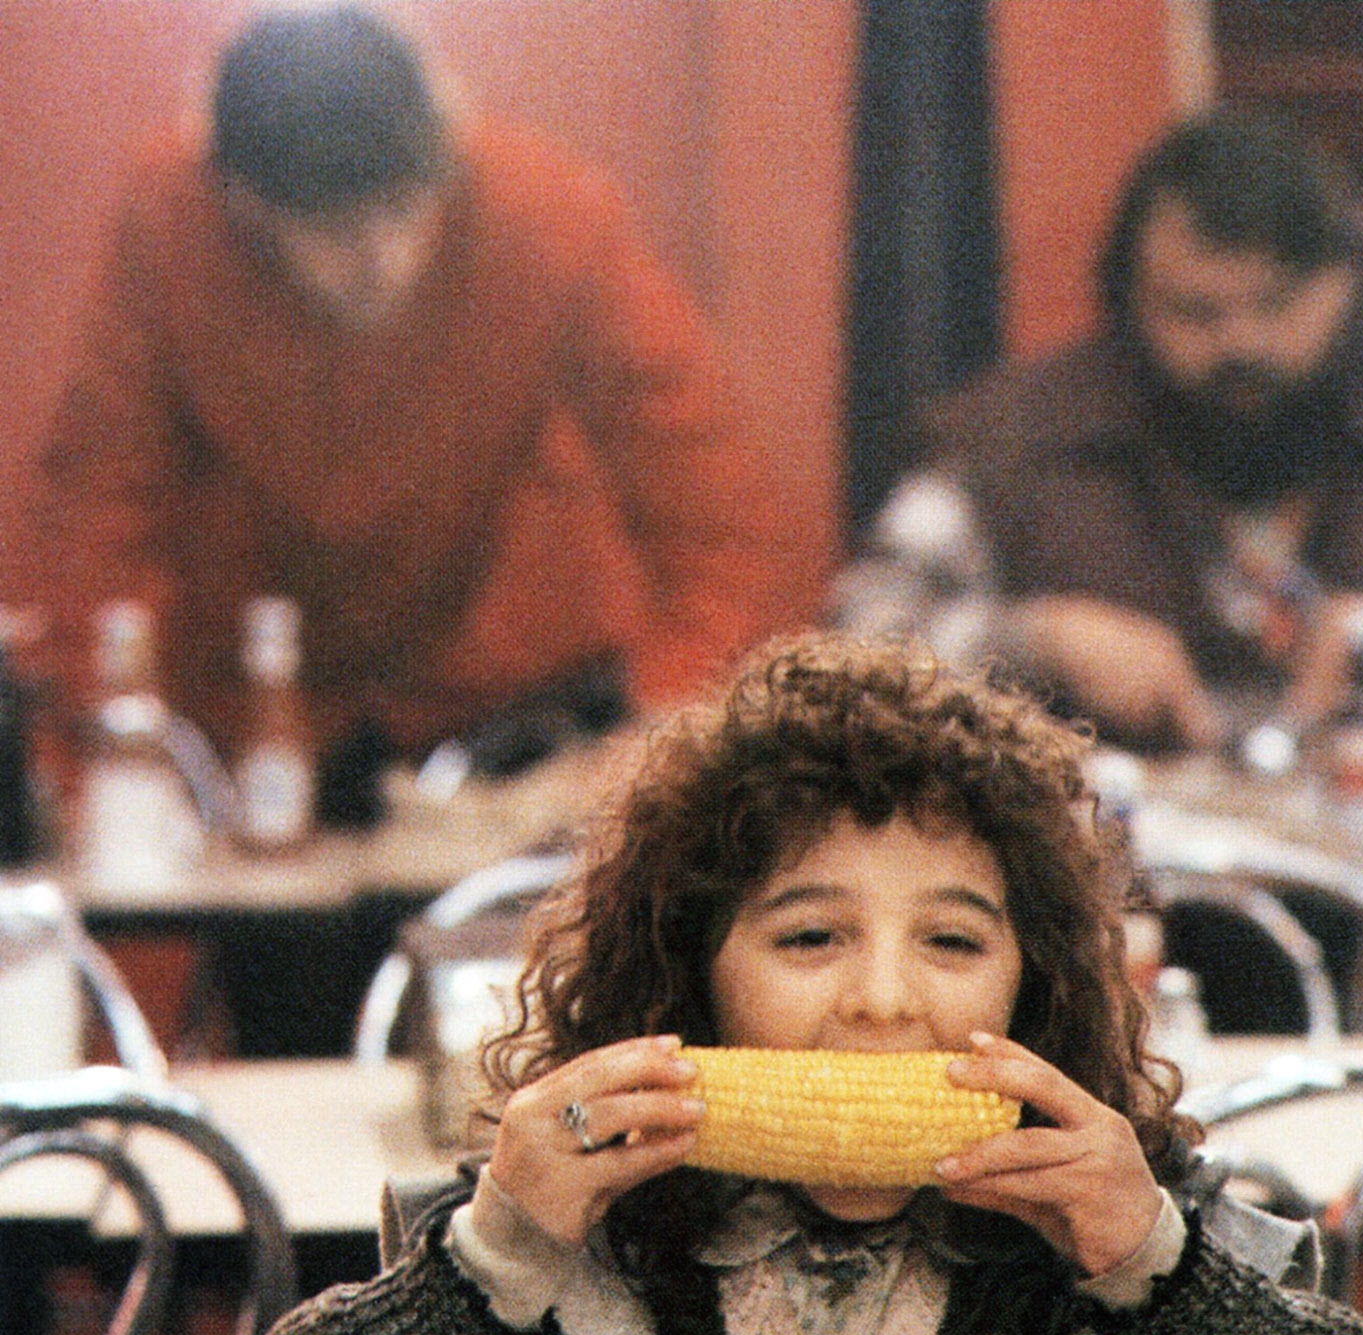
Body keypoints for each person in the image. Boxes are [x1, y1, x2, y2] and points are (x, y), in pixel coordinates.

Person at [250, 632, 1363, 1335]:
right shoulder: (574, 1238)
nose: (886, 1000)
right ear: (692, 982)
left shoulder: (1134, 1234)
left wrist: (1166, 1279)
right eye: (809, 937)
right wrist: (490, 1263)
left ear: (1032, 984)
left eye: (952, 941)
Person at [13, 4, 799, 777]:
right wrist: (98, 775)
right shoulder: (170, 224)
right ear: (243, 205)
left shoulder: (550, 219)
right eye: (333, 227)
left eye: (401, 207)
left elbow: (719, 522)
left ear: (446, 157)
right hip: (252, 719)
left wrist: (657, 737)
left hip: (510, 705)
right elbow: (91, 520)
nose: (381, 259)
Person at [848, 105, 1363, 756]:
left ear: (1348, 286)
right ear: (1126, 299)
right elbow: (855, 656)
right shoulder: (1010, 438)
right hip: (1101, 913)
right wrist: (1027, 643)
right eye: (1196, 312)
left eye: (1277, 305)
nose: (1241, 344)